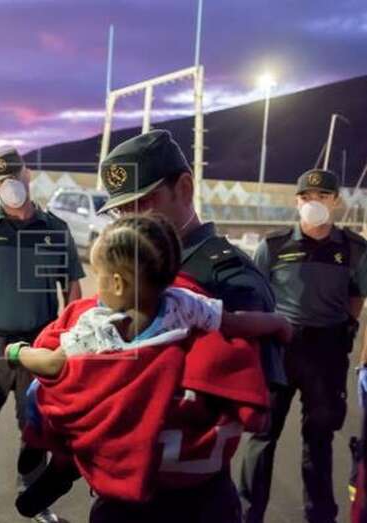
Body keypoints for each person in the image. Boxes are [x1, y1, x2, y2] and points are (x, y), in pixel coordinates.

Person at [6, 213, 276, 522]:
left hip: (108, 421)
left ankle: (47, 452)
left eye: (99, 276)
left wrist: (19, 352)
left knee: (43, 393)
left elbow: (53, 364)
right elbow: (236, 322)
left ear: (118, 283)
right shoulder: (185, 303)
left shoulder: (99, 326)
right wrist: (279, 326)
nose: (97, 287)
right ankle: (60, 467)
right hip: (185, 480)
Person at [96, 129, 282, 521]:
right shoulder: (127, 269)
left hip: (189, 500)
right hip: (119, 491)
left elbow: (253, 400)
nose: (130, 220)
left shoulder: (230, 279)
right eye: (119, 210)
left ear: (184, 188)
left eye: (143, 203)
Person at [0, 147, 86, 523]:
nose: (8, 187)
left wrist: (69, 341)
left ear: (27, 176)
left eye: (13, 177)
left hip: (38, 345)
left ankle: (36, 499)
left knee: (37, 428)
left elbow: (72, 289)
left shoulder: (55, 230)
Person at [240, 169, 367, 523]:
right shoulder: (273, 246)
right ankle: (248, 514)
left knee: (319, 438)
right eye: (307, 198)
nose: (314, 203)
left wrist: (346, 326)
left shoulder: (354, 249)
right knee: (262, 437)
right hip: (280, 349)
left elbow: (358, 293)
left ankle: (320, 516)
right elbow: (256, 295)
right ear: (297, 202)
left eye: (323, 197)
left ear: (336, 202)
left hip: (327, 352)